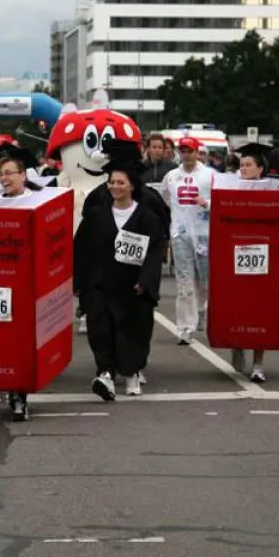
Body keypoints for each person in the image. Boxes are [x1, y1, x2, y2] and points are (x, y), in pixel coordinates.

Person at [75, 149, 167, 401]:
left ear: (132, 186)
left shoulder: (147, 217)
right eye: (111, 182)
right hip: (101, 284)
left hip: (133, 286)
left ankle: (132, 372)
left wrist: (145, 281)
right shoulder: (96, 215)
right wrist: (81, 282)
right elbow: (81, 247)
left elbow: (154, 251)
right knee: (101, 329)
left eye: (120, 182)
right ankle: (105, 373)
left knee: (133, 331)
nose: (115, 186)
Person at [0, 153, 47, 421]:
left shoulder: (37, 202)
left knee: (25, 340)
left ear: (23, 175)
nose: (5, 177)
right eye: (2, 173)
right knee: (2, 339)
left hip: (28, 283)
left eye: (11, 172)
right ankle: (8, 384)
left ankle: (20, 396)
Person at [223, 142, 279, 381]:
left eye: (249, 165)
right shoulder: (231, 187)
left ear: (261, 168)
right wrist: (206, 203)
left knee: (261, 310)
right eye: (241, 165)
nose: (244, 169)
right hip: (235, 254)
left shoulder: (273, 189)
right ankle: (237, 343)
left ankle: (258, 364)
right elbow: (223, 212)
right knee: (238, 306)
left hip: (264, 255)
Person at [161, 136, 214, 344]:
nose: (186, 155)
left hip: (204, 234)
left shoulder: (210, 175)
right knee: (184, 280)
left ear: (197, 152)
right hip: (180, 234)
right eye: (182, 151)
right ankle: (185, 326)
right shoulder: (171, 176)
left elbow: (221, 197)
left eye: (189, 151)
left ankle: (203, 312)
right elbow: (166, 197)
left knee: (205, 279)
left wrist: (207, 203)